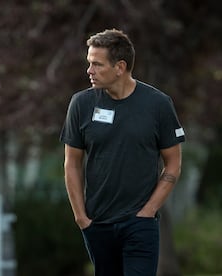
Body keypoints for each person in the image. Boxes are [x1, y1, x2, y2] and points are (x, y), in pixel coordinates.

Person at [60, 29, 185, 275]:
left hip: (140, 223)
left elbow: (173, 164)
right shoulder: (81, 104)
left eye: (97, 64)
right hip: (97, 224)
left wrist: (148, 211)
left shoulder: (158, 104)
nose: (89, 71)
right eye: (89, 63)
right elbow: (72, 163)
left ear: (120, 67)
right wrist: (81, 217)